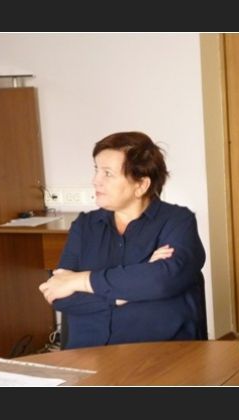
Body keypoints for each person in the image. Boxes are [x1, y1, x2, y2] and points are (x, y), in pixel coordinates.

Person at [39, 132, 206, 349]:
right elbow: (58, 295)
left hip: (157, 353)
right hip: (87, 353)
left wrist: (81, 281)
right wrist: (130, 288)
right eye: (96, 170)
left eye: (107, 173)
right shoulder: (85, 225)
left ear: (141, 185)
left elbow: (161, 281)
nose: (95, 180)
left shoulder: (177, 221)